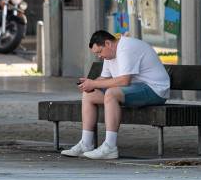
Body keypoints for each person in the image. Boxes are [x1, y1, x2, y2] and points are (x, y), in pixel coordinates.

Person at [61, 30, 170, 160]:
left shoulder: (126, 48)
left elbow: (124, 81)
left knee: (111, 93)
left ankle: (110, 147)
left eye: (99, 52)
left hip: (155, 90)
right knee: (89, 95)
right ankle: (86, 144)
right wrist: (89, 84)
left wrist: (94, 84)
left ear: (108, 43)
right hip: (136, 89)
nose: (99, 56)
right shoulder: (110, 54)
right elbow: (104, 78)